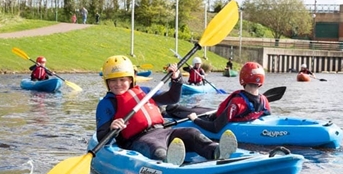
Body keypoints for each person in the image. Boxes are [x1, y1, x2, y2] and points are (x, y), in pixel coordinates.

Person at [96, 55, 237, 166]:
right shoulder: (107, 104)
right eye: (113, 81)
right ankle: (168, 163)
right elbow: (101, 136)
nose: (118, 84)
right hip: (139, 139)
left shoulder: (144, 92)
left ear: (131, 79)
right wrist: (112, 127)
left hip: (163, 131)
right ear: (107, 82)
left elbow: (172, 98)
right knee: (156, 149)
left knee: (192, 133)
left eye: (122, 80)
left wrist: (177, 80)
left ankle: (216, 151)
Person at [185, 62, 272, 133]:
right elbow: (267, 117)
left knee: (183, 110)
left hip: (218, 122)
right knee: (199, 110)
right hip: (222, 117)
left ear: (242, 78)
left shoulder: (236, 104)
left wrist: (195, 119)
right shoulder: (264, 100)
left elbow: (215, 128)